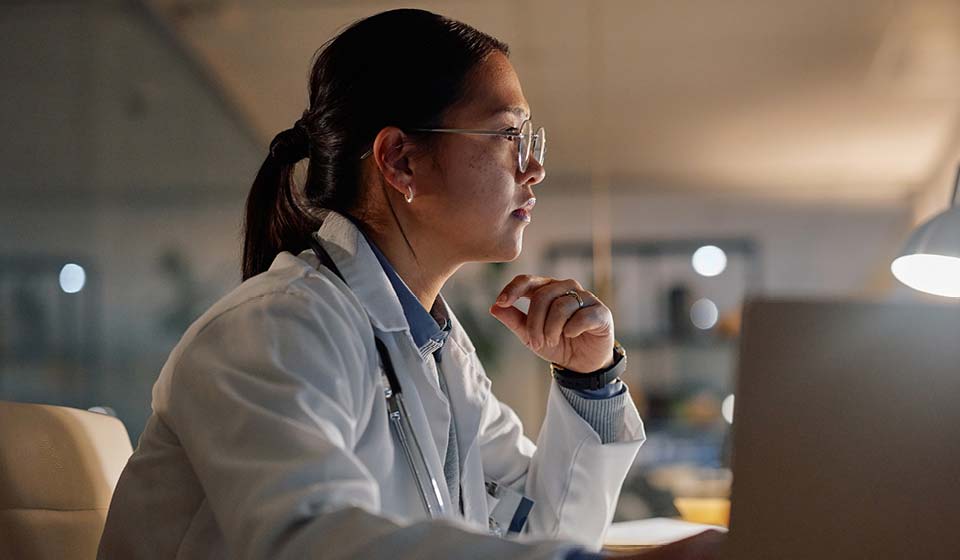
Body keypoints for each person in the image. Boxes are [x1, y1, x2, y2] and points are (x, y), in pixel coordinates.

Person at [98, 8, 722, 560]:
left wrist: (590, 380)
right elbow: (310, 540)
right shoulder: (276, 328)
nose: (533, 168)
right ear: (399, 159)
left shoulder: (437, 353)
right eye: (510, 135)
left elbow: (545, 529)